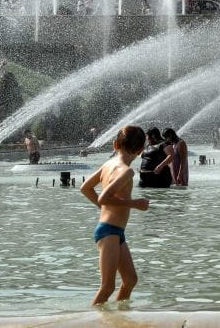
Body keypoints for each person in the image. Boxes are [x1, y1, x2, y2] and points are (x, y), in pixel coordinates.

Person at [79, 125, 150, 306]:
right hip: (108, 231)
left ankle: (120, 318)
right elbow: (104, 197)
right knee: (107, 287)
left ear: (115, 144)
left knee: (130, 280)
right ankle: (91, 321)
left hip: (115, 232)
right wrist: (134, 204)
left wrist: (104, 209)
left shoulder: (108, 165)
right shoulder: (126, 171)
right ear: (141, 150)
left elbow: (85, 188)